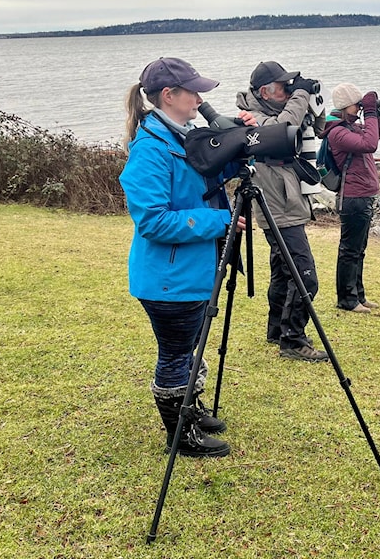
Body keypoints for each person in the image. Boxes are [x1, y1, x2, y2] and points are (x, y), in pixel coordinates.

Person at [119, 57, 240, 458]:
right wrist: (219, 221)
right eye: (193, 91)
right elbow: (153, 221)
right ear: (169, 96)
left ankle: (189, 408)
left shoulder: (184, 137)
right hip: (168, 278)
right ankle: (179, 434)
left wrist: (242, 142)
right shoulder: (150, 151)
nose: (200, 98)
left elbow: (210, 175)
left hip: (191, 269)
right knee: (174, 354)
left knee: (187, 348)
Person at [235, 61, 329, 362]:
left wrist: (314, 100)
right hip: (277, 204)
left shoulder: (276, 111)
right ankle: (293, 340)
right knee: (303, 275)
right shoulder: (253, 119)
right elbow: (282, 131)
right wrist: (300, 95)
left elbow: (319, 128)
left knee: (281, 270)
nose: (289, 92)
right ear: (264, 91)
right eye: (283, 88)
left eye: (291, 87)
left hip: (285, 201)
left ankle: (278, 330)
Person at [324, 83, 380, 314]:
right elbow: (370, 144)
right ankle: (347, 299)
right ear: (345, 105)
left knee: (359, 249)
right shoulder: (338, 132)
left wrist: (375, 112)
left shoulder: (352, 127)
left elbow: (377, 134)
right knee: (350, 249)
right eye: (357, 104)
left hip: (363, 194)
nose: (360, 108)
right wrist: (369, 112)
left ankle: (357, 295)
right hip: (353, 196)